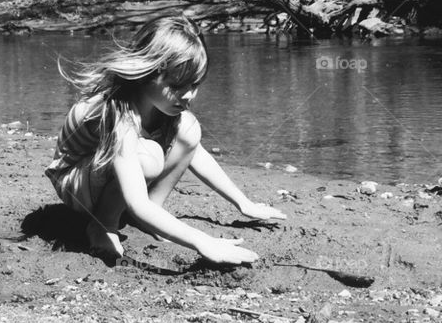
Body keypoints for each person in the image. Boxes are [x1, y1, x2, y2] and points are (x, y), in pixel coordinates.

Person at [45, 15, 286, 265]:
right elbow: (137, 202)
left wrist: (243, 203)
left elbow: (195, 152)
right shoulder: (118, 113)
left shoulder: (160, 103)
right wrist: (203, 241)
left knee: (190, 128)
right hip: (74, 181)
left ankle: (153, 213)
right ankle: (103, 225)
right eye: (178, 85)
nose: (189, 95)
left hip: (102, 172)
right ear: (149, 73)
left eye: (195, 84)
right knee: (148, 156)